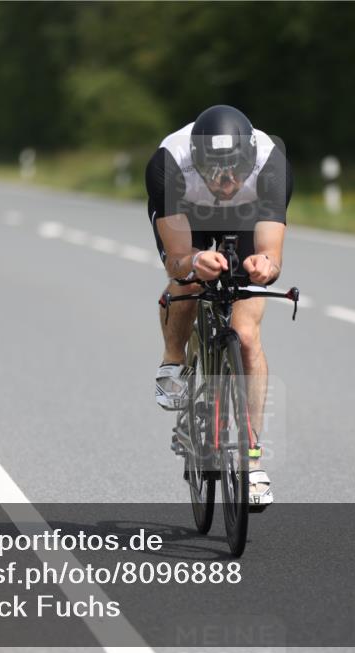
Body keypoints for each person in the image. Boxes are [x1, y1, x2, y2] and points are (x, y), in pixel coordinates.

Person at [145, 104, 292, 509]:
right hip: (188, 212)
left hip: (248, 218)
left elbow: (271, 253)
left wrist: (266, 264)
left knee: (245, 337)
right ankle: (173, 359)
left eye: (234, 172)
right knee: (188, 281)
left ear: (249, 160)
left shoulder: (270, 163)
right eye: (214, 172)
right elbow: (176, 258)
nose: (226, 183)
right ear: (198, 162)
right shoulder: (170, 162)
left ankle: (252, 460)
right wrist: (193, 261)